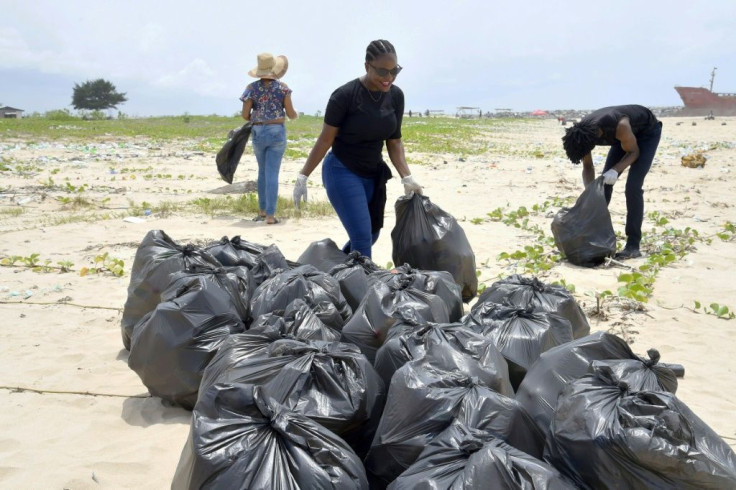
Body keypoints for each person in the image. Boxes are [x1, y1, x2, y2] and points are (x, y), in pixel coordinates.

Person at [292, 39, 422, 258]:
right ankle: (363, 289)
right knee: (362, 239)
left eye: (394, 71)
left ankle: (334, 271)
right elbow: (325, 140)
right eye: (382, 71)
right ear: (367, 66)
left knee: (371, 234)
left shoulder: (396, 96)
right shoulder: (344, 96)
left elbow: (394, 141)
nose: (388, 78)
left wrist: (407, 177)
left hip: (373, 173)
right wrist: (303, 176)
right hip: (342, 170)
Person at [562, 104, 662, 259]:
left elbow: (634, 152)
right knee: (603, 186)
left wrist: (615, 170)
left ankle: (633, 245)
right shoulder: (582, 134)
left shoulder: (620, 126)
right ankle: (592, 235)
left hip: (646, 134)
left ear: (596, 136)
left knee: (633, 187)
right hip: (622, 140)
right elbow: (588, 166)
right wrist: (591, 192)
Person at [241, 52, 298, 224]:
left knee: (262, 172)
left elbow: (245, 115)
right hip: (277, 131)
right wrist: (295, 115)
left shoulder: (251, 88)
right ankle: (272, 216)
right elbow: (291, 113)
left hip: (258, 131)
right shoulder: (283, 88)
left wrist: (258, 116)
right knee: (273, 173)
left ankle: (263, 211)